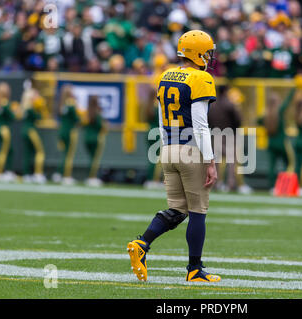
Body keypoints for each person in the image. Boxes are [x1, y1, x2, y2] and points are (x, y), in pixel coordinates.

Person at [127, 30, 220, 282]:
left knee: (177, 210)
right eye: (207, 52)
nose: (210, 57)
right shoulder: (201, 78)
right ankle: (194, 269)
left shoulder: (166, 74)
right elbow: (200, 125)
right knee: (198, 211)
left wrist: (167, 147)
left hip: (168, 148)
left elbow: (160, 117)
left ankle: (142, 243)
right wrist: (210, 161)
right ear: (198, 52)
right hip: (191, 149)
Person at [52, 85, 81, 185]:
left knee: (63, 154)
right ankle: (66, 175)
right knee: (68, 155)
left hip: (61, 131)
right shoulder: (71, 104)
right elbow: (76, 119)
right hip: (69, 131)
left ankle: (59, 173)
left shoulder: (62, 104)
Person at [0, 82, 17, 182]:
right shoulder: (5, 103)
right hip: (4, 130)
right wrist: (15, 111)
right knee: (4, 151)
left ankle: (6, 172)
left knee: (8, 151)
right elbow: (12, 117)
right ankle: (0, 172)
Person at [20, 87, 47, 184]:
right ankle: (38, 173)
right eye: (36, 95)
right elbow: (40, 117)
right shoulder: (31, 109)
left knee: (28, 153)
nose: (38, 97)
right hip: (31, 131)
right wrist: (41, 107)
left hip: (25, 130)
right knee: (40, 151)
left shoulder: (26, 108)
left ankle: (27, 174)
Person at [84, 95, 107, 187]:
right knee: (95, 160)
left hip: (86, 138)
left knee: (91, 159)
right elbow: (101, 127)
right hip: (96, 138)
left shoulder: (88, 112)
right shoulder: (97, 113)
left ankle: (90, 177)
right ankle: (92, 178)